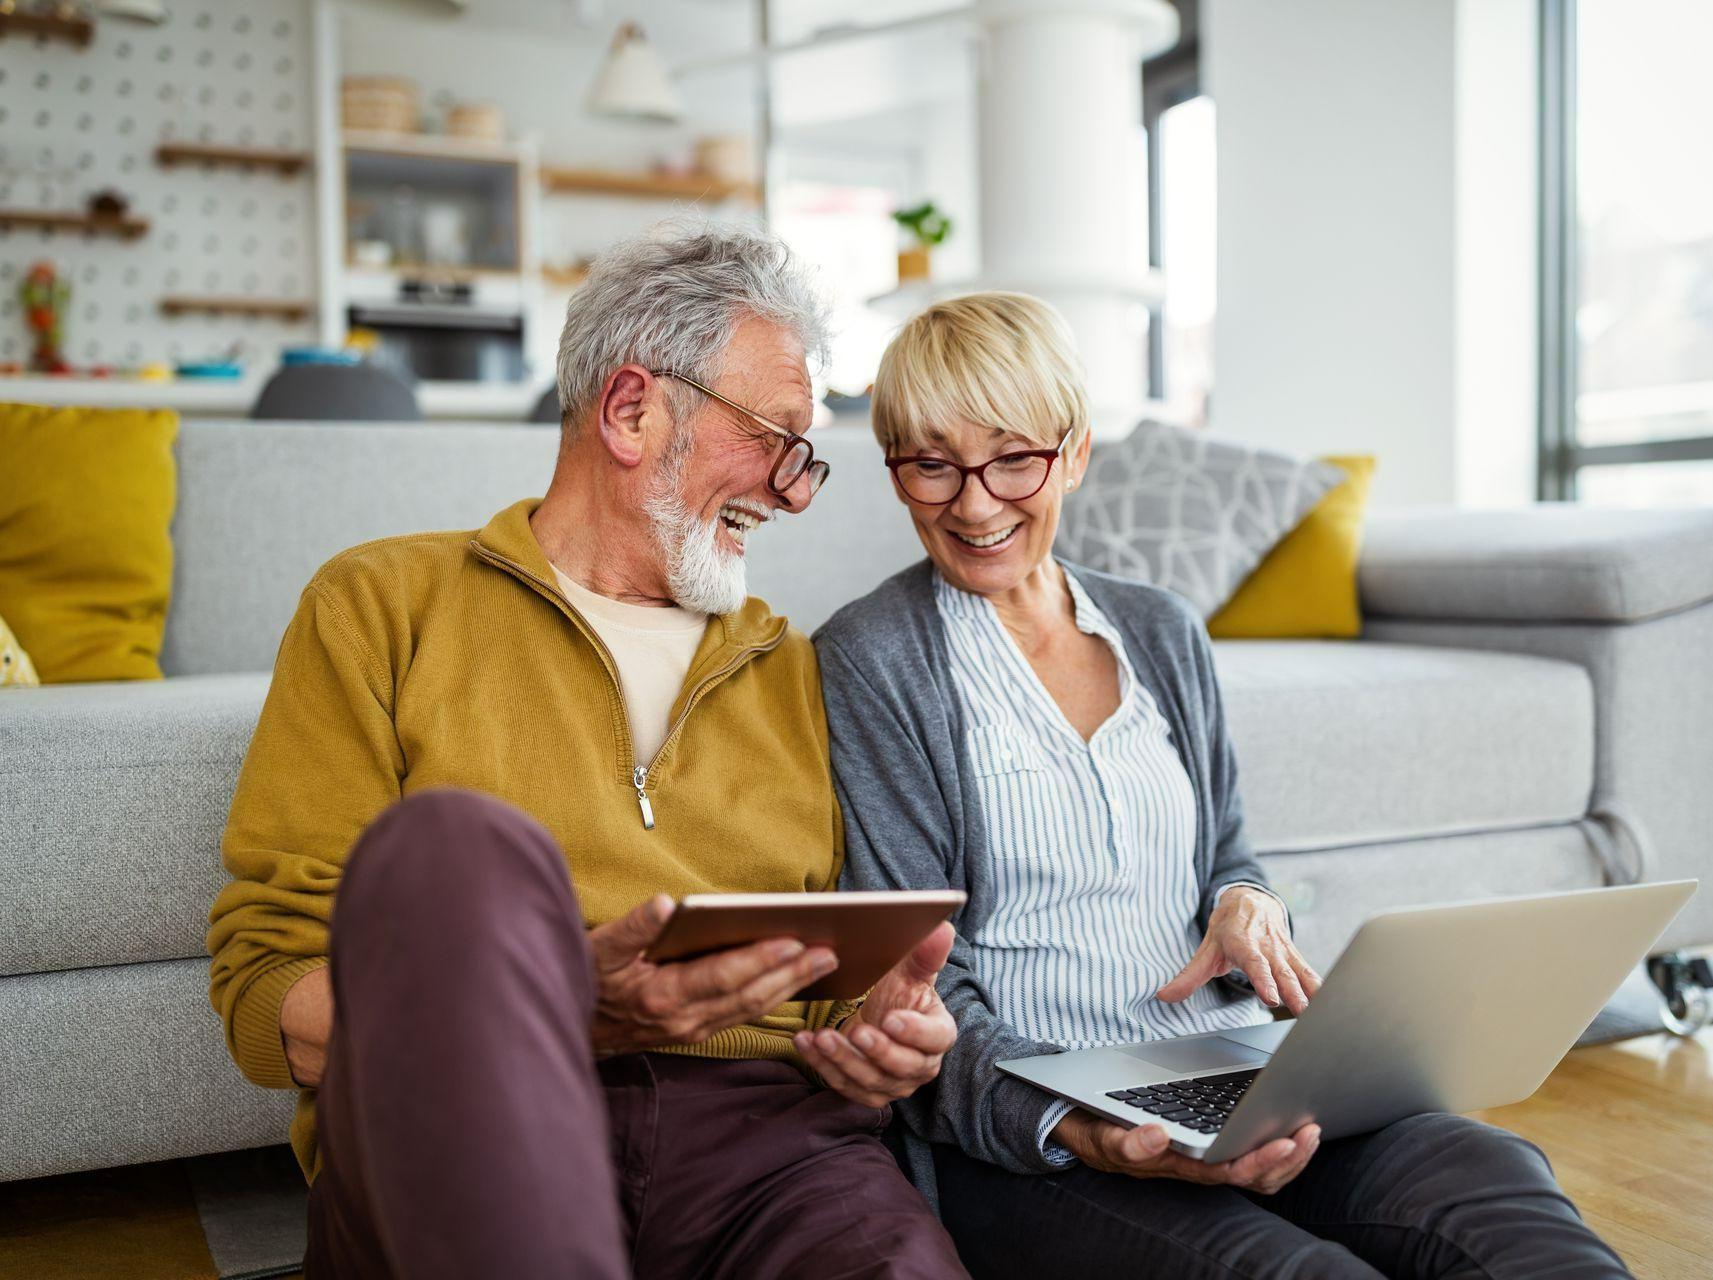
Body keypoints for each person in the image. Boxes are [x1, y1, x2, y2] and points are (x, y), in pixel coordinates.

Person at [812, 291, 1632, 1278]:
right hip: (1045, 1133)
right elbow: (919, 980)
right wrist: (1082, 1126)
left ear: (1073, 453)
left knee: (1493, 1186)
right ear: (896, 468)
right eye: (932, 463)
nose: (975, 502)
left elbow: (1229, 851)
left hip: (1236, 1066)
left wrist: (1247, 901)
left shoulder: (1158, 628)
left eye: (1012, 457)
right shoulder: (872, 658)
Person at [206, 226, 967, 1280]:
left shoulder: (789, 663)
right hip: (478, 1098)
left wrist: (886, 1038)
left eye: (808, 457)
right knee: (459, 841)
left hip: (769, 1146)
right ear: (629, 410)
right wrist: (558, 1003)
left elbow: (829, 992)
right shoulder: (382, 605)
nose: (794, 491)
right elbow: (271, 995)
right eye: (775, 440)